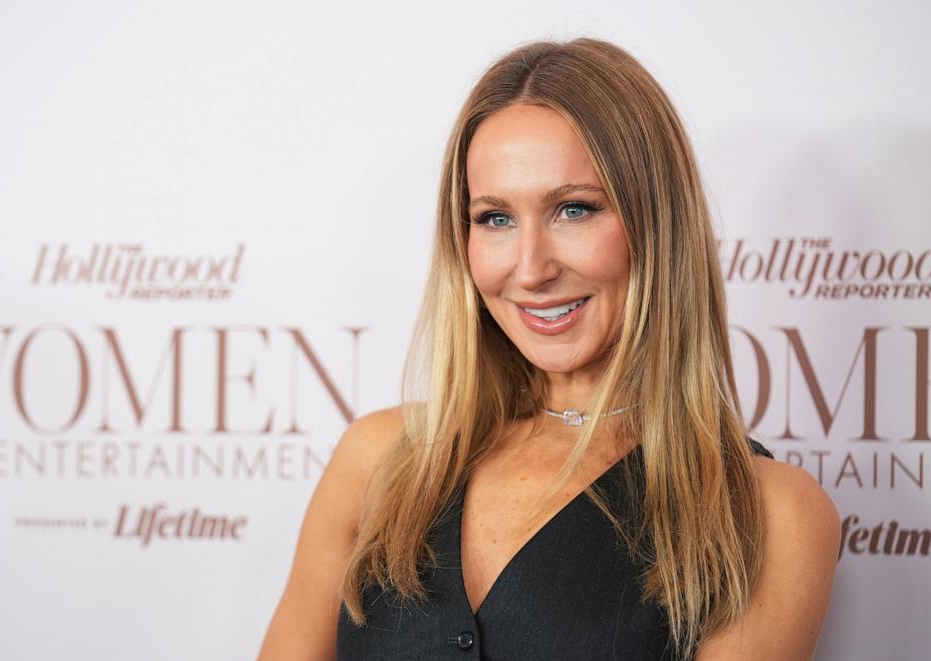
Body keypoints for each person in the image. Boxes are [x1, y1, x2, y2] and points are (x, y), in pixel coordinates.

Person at [258, 37, 841, 660]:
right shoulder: (380, 462)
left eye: (573, 209)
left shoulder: (765, 515)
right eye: (495, 218)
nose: (531, 269)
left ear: (657, 225)